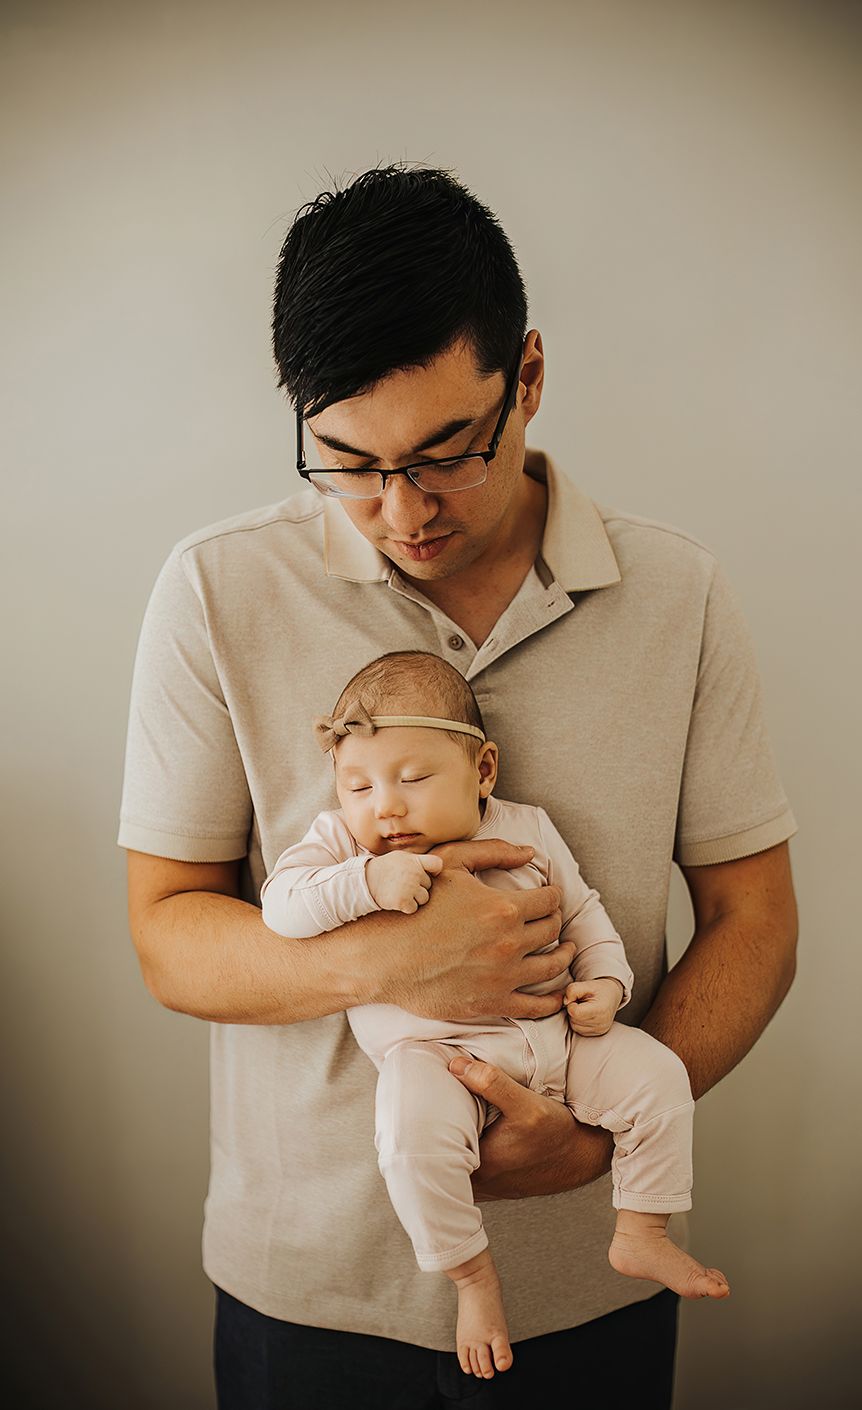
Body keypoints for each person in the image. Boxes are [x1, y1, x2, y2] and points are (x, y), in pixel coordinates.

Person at [121, 164, 797, 1408]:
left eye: (446, 454)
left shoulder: (680, 595)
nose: (399, 510)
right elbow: (168, 936)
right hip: (308, 1289)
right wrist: (391, 962)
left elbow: (755, 923)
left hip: (588, 1288)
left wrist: (591, 1145)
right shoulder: (216, 588)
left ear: (526, 380)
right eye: (346, 461)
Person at [261, 649, 730, 1380]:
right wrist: (365, 881)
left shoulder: (529, 829)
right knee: (409, 1142)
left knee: (659, 1077)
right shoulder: (344, 844)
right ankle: (472, 1278)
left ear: (482, 771)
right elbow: (283, 909)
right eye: (358, 785)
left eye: (414, 779)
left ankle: (642, 1227)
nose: (384, 806)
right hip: (437, 1060)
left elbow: (584, 912)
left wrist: (606, 982)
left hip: (561, 1038)